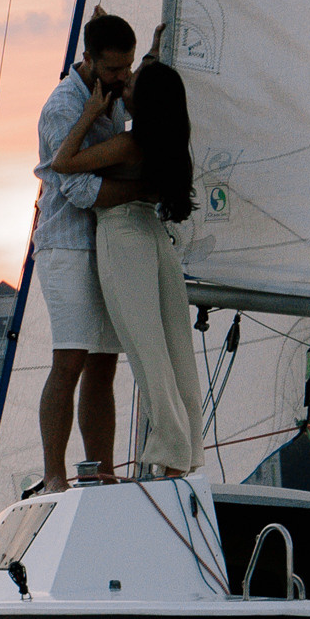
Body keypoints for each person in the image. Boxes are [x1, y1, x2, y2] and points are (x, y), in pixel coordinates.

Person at [48, 46, 201, 474]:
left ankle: (170, 455)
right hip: (157, 242)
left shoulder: (130, 143)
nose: (124, 82)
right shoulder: (169, 143)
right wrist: (151, 43)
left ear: (144, 101)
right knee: (176, 352)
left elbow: (63, 162)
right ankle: (187, 453)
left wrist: (90, 111)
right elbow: (154, 77)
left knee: (146, 352)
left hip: (123, 238)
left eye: (131, 82)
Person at [33, 11, 135, 489]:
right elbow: (74, 189)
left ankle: (103, 470)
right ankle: (54, 473)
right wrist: (142, 190)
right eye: (114, 69)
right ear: (89, 60)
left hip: (105, 241)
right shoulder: (62, 107)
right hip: (66, 244)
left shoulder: (113, 93)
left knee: (104, 363)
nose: (123, 77)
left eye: (128, 67)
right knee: (69, 359)